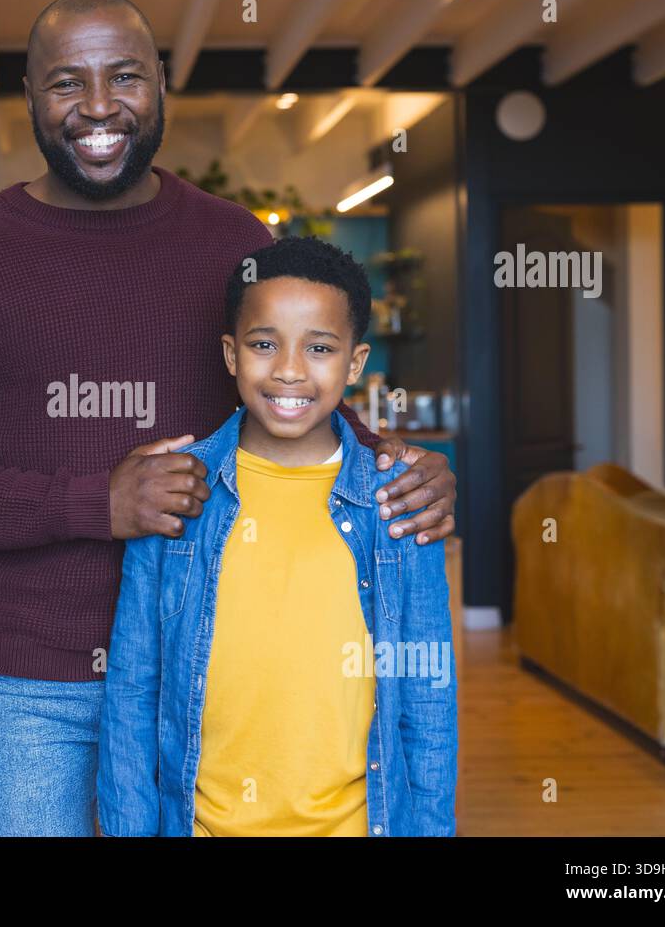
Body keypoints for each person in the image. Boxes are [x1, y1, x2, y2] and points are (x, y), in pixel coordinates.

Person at [0, 0, 457, 837]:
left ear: (161, 86)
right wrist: (94, 503)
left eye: (125, 76)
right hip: (27, 682)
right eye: (67, 83)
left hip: (205, 664)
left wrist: (393, 459)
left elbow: (284, 388)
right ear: (30, 98)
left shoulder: (231, 242)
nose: (99, 107)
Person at [97, 237, 457, 836]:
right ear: (231, 355)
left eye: (319, 348)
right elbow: (135, 690)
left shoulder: (397, 502)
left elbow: (427, 701)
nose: (289, 369)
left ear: (355, 363)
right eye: (265, 344)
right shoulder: (176, 492)